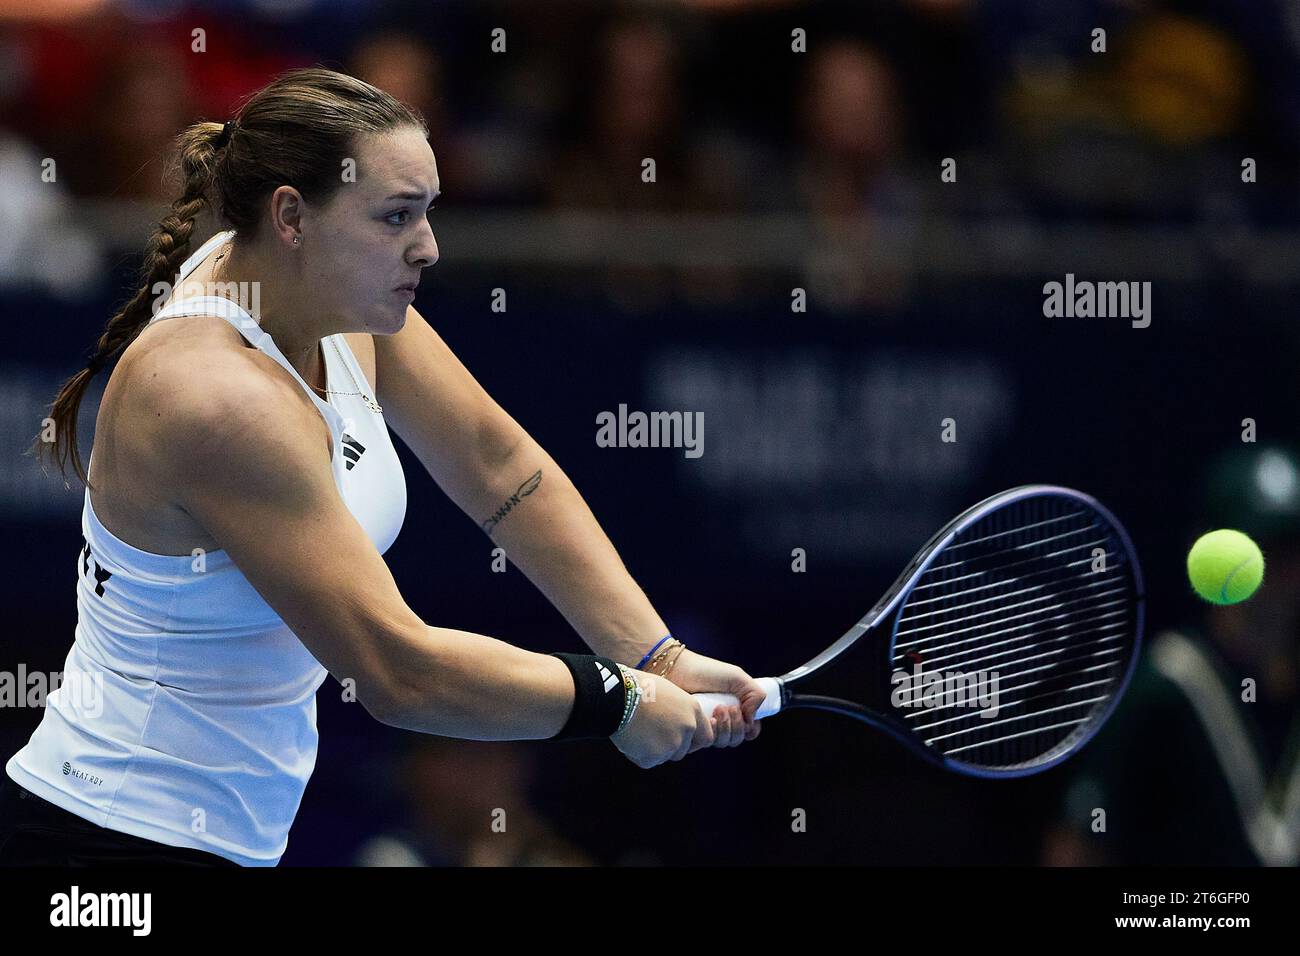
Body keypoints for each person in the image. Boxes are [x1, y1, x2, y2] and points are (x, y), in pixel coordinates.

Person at [2, 67, 764, 868]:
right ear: (291, 216)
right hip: (108, 846)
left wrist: (658, 655)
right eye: (396, 217)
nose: (427, 247)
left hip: (222, 845)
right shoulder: (215, 396)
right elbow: (398, 671)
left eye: (426, 213)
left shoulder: (329, 295)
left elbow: (497, 464)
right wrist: (617, 700)